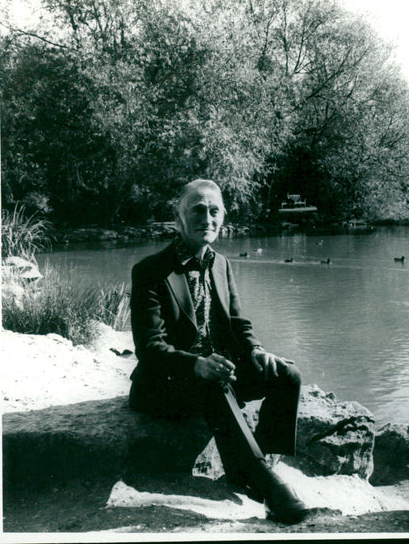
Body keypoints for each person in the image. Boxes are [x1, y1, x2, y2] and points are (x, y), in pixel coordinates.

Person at [128, 179, 309, 524]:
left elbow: (238, 324)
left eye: (214, 211)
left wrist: (257, 351)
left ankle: (262, 462)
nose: (206, 218)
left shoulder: (221, 264)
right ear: (178, 219)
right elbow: (149, 348)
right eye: (197, 210)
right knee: (214, 382)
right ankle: (266, 485)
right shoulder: (150, 271)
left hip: (213, 377)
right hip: (165, 384)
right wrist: (196, 364)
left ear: (222, 217)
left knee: (286, 374)